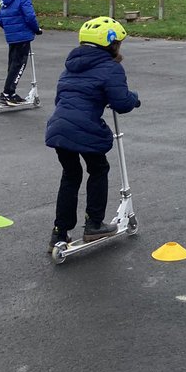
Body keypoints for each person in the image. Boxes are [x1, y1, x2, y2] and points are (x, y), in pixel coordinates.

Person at [45, 16, 141, 250]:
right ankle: (94, 224)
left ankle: (60, 232)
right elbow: (122, 103)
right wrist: (134, 98)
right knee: (99, 169)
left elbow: (64, 96)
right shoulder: (111, 67)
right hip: (84, 128)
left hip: (58, 126)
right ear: (111, 44)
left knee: (71, 174)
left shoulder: (70, 66)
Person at [0, 0, 42, 105]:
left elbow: (0, 19)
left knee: (12, 65)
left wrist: (11, 30)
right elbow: (30, 17)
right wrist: (36, 29)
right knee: (19, 64)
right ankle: (7, 94)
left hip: (12, 37)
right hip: (23, 37)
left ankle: (9, 92)